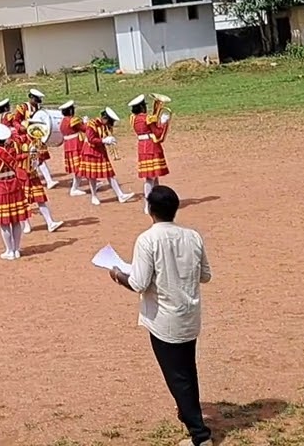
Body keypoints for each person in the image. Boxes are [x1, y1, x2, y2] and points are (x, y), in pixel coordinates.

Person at [108, 185, 213, 446]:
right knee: (187, 370)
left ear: (150, 210)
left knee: (178, 376)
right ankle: (187, 411)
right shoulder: (193, 236)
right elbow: (205, 275)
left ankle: (200, 435)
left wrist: (118, 275)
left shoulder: (147, 240)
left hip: (165, 320)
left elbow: (139, 283)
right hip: (189, 314)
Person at [0, 124, 28, 260]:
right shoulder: (11, 150)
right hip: (14, 185)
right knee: (15, 220)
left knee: (4, 222)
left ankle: (9, 250)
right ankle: (16, 249)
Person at [78, 108, 135, 206]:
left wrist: (109, 140)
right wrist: (104, 141)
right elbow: (91, 139)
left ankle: (120, 195)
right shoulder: (92, 124)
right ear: (104, 118)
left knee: (109, 174)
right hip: (90, 151)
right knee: (92, 176)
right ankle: (94, 196)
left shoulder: (104, 126)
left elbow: (104, 136)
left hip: (100, 151)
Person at [17, 128, 62, 234]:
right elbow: (14, 156)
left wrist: (38, 156)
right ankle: (26, 225)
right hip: (22, 175)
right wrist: (28, 154)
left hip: (33, 175)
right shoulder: (20, 141)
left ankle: (50, 223)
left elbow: (41, 160)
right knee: (23, 202)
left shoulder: (39, 143)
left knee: (40, 200)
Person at [130, 95, 172, 205]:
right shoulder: (148, 118)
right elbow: (157, 133)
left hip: (141, 147)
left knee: (153, 176)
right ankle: (148, 203)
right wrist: (163, 123)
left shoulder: (133, 119)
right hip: (151, 147)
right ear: (142, 107)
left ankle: (156, 201)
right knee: (150, 178)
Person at [58, 101, 87, 197]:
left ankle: (92, 182)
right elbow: (84, 128)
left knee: (79, 167)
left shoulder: (62, 121)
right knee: (79, 167)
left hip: (68, 145)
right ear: (70, 110)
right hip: (76, 145)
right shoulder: (73, 120)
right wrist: (86, 122)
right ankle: (74, 188)